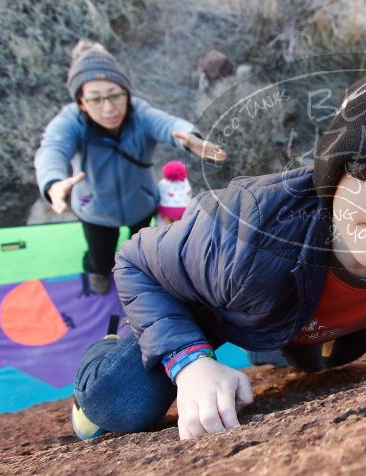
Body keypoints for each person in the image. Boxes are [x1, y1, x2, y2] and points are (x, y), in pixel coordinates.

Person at [70, 58, 366, 442]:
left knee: (311, 366)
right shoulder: (246, 230)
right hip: (207, 300)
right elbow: (135, 260)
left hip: (288, 316)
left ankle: (274, 343)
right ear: (334, 173)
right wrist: (189, 363)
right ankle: (110, 350)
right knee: (119, 404)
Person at [34, 41, 226, 294]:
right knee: (100, 257)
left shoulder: (139, 114)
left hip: (140, 202)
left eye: (115, 95)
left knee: (141, 250)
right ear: (82, 102)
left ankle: (136, 272)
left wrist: (192, 137)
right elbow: (52, 148)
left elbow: (167, 124)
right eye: (96, 99)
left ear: (126, 93)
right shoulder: (71, 121)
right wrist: (54, 182)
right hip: (96, 209)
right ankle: (99, 272)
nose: (109, 108)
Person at [156, 160, 192, 226]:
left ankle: (166, 231)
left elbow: (158, 195)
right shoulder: (186, 182)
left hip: (167, 209)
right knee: (178, 224)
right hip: (183, 209)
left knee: (165, 221)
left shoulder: (163, 182)